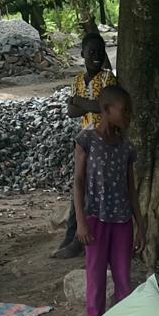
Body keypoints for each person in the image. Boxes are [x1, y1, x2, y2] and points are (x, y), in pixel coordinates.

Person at [74, 84, 145, 316]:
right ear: (106, 110)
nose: (128, 116)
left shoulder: (126, 147)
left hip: (122, 221)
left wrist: (140, 226)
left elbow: (131, 189)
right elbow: (78, 182)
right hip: (95, 221)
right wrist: (81, 221)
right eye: (124, 111)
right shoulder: (87, 140)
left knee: (124, 280)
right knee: (95, 282)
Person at [53, 31, 116, 259]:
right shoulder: (78, 80)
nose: (96, 56)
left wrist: (80, 102)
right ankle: (73, 236)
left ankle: (79, 240)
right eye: (91, 52)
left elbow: (105, 107)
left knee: (90, 189)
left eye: (99, 52)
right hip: (84, 140)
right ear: (82, 54)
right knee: (79, 187)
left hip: (105, 139)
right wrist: (89, 104)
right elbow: (71, 112)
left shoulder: (109, 78)